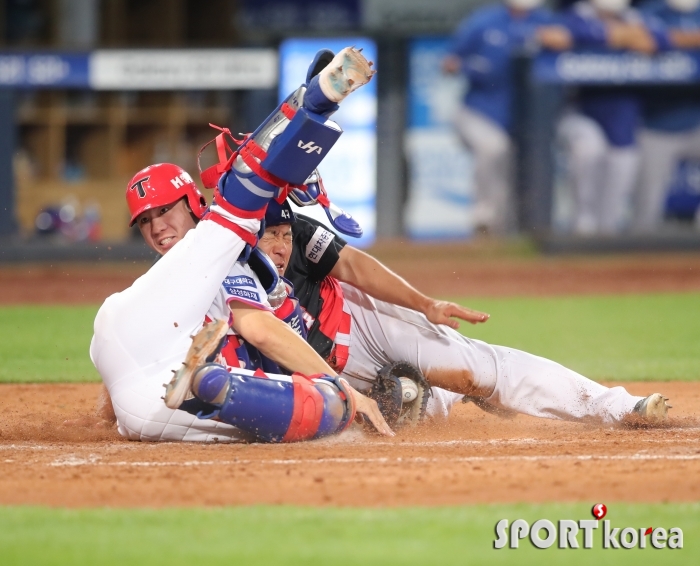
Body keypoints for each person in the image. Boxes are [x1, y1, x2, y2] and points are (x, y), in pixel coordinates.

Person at [89, 47, 393, 442]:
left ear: (192, 204)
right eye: (145, 221)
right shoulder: (229, 255)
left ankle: (205, 384)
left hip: (134, 372)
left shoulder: (172, 275)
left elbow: (128, 347)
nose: (156, 227)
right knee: (331, 406)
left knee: (237, 212)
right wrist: (345, 390)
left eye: (164, 212)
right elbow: (261, 328)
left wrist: (106, 413)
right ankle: (212, 385)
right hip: (173, 375)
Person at [254, 199, 672, 425]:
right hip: (324, 367)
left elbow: (351, 265)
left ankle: (615, 406)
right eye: (269, 235)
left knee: (475, 371)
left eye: (284, 234)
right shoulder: (224, 271)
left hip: (359, 318)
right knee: (398, 407)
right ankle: (444, 395)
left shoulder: (298, 237)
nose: (280, 245)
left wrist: (425, 304)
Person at [442, 0, 570, 234]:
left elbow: (567, 40)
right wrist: (464, 66)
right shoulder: (484, 21)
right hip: (478, 112)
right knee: (494, 148)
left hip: (528, 118)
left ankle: (507, 228)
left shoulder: (544, 20)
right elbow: (449, 61)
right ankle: (484, 216)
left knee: (518, 167)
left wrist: (556, 39)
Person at [546, 0, 670, 235]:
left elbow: (659, 40)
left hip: (623, 112)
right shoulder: (576, 13)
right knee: (588, 150)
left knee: (623, 162)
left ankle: (607, 229)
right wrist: (619, 37)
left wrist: (626, 36)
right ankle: (582, 221)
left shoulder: (636, 17)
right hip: (578, 109)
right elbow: (559, 35)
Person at [634, 0, 700, 232]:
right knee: (646, 211)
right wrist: (691, 40)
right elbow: (641, 40)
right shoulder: (651, 12)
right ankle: (637, 260)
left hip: (695, 120)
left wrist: (672, 41)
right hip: (656, 124)